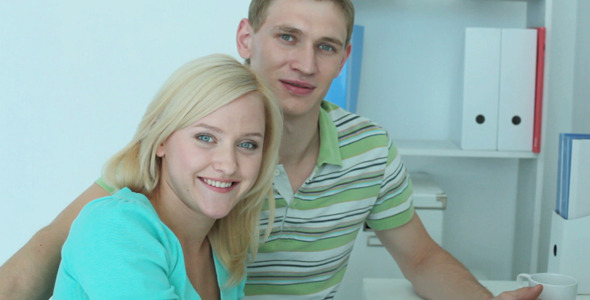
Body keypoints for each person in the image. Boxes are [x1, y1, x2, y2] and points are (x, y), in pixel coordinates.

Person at [0, 1, 542, 299]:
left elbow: (421, 258)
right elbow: (60, 242)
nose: (305, 64)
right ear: (246, 39)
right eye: (287, 36)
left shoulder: (228, 241)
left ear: (343, 58)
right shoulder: (180, 157)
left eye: (325, 46)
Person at [51, 53, 283, 299]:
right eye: (205, 138)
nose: (228, 165)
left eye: (247, 145)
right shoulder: (113, 227)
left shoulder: (225, 255)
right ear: (161, 139)